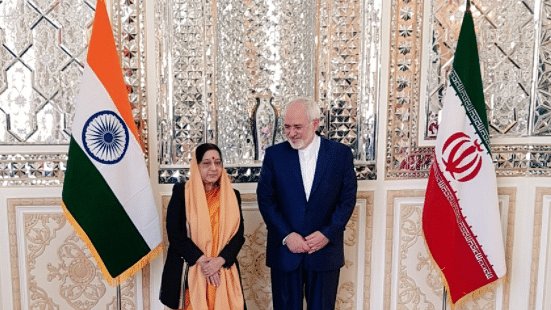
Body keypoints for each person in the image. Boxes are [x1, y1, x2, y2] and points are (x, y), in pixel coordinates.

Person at [256, 97, 357, 310]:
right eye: (287, 127)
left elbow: (347, 200)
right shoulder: (274, 155)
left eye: (297, 127)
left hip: (325, 252)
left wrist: (327, 234)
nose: (291, 133)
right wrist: (287, 236)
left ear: (315, 123)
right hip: (285, 253)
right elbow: (266, 199)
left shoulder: (340, 155)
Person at [160, 143, 246, 310]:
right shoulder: (182, 192)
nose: (213, 168)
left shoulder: (232, 195)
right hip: (190, 268)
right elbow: (175, 233)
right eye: (206, 163)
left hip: (223, 271)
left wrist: (219, 261)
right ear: (196, 166)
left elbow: (238, 235)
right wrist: (204, 262)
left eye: (218, 162)